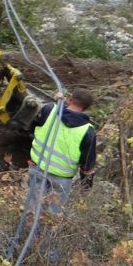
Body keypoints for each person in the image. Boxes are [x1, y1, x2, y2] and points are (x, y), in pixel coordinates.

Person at [26, 87, 97, 215]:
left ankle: (29, 232)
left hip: (38, 166)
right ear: (86, 108)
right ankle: (46, 235)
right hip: (61, 179)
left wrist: (58, 104)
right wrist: (86, 188)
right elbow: (87, 165)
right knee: (52, 215)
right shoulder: (88, 131)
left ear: (70, 99)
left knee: (33, 209)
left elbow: (32, 128)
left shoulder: (49, 110)